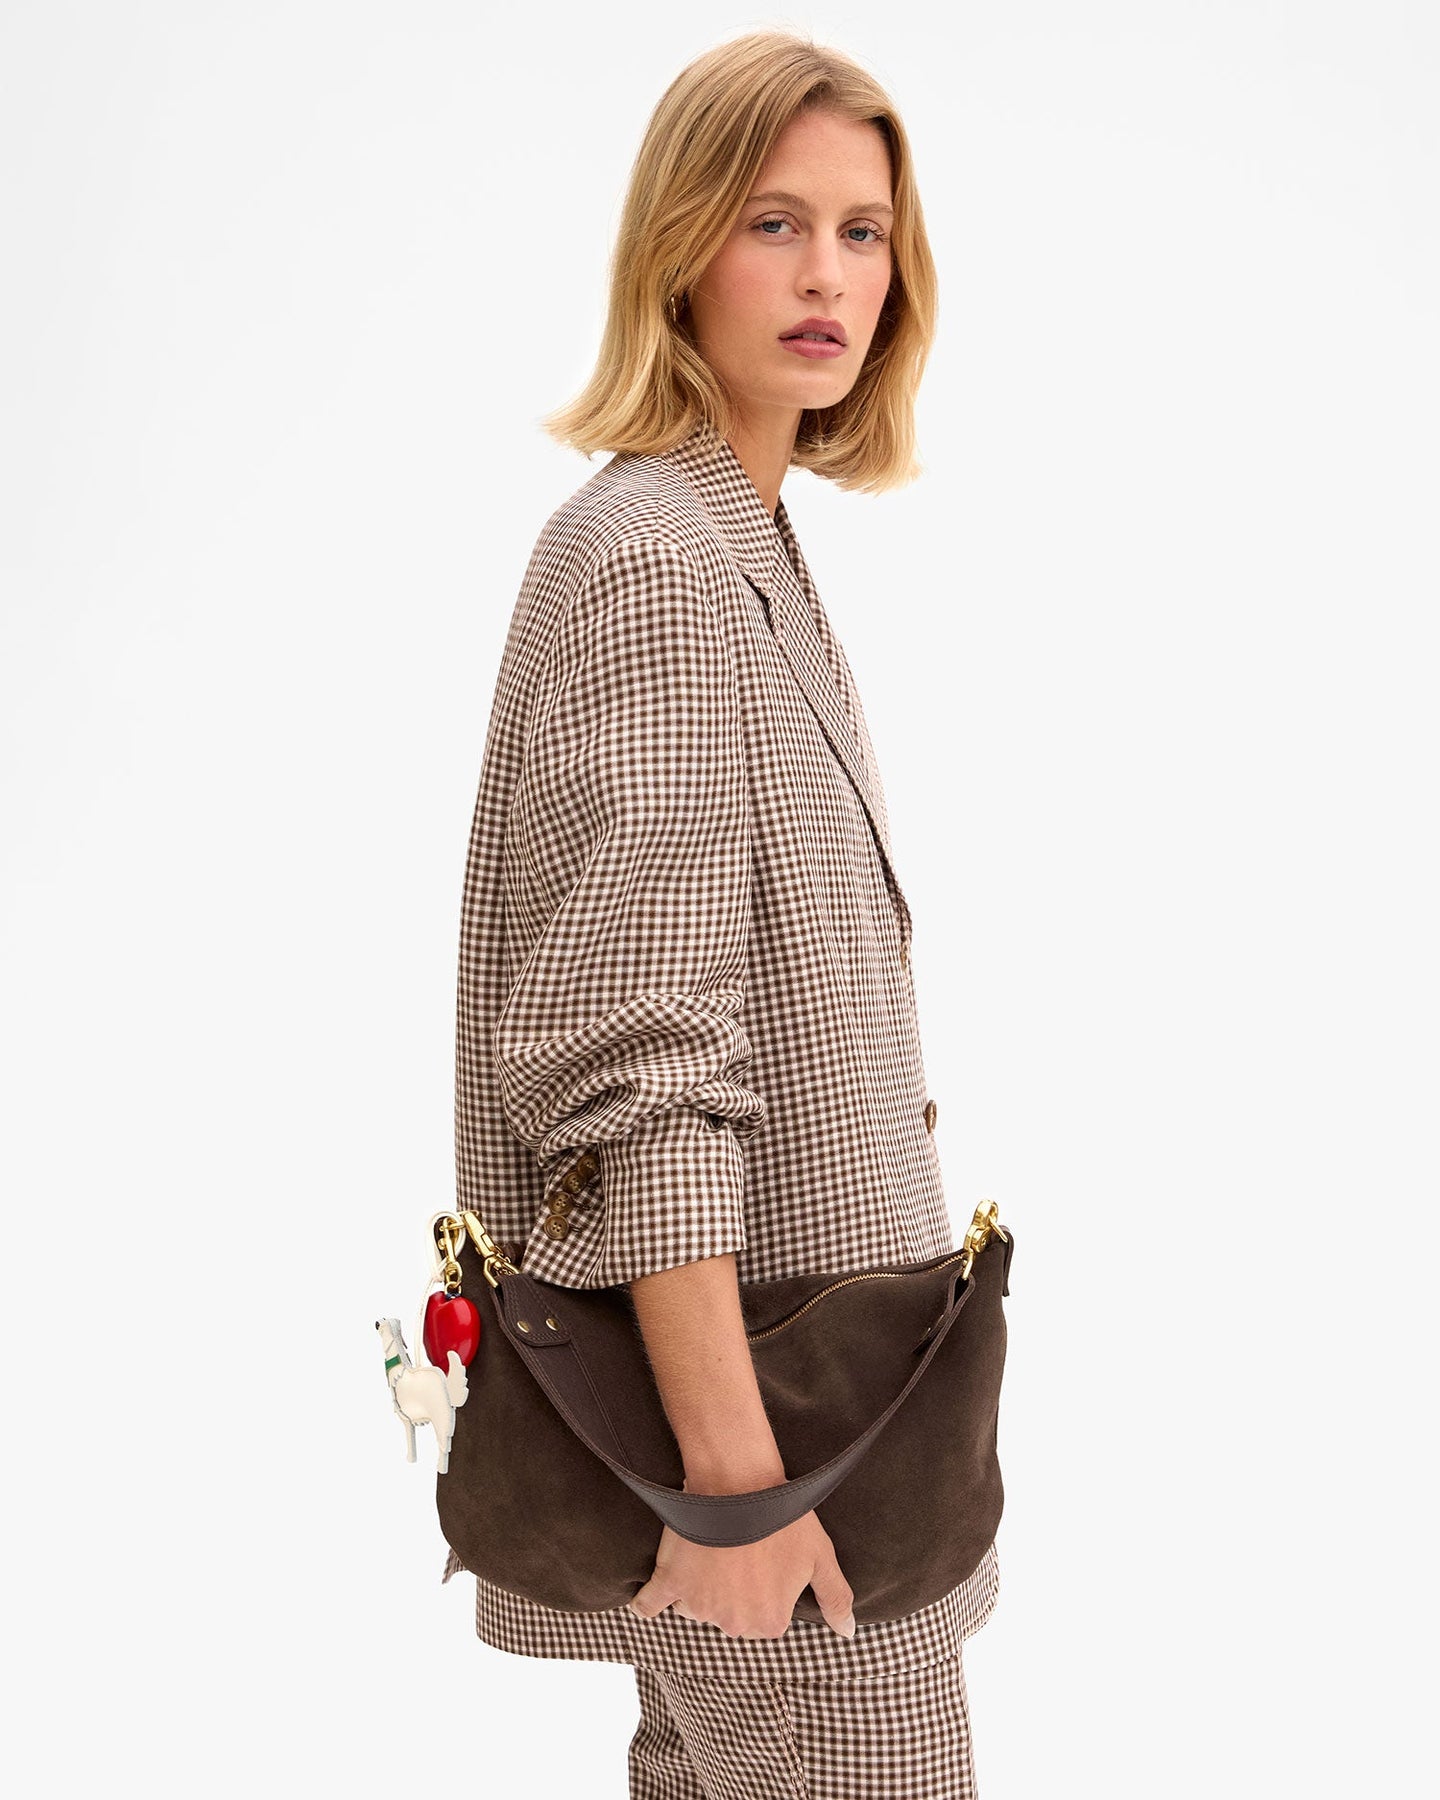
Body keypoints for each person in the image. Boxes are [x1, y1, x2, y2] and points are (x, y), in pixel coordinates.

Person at [443, 27, 999, 1799]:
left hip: (814, 1441)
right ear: (681, 244)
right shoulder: (662, 569)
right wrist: (739, 1496)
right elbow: (641, 1071)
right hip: (780, 1476)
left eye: (863, 230)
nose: (829, 274)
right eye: (776, 222)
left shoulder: (733, 538)